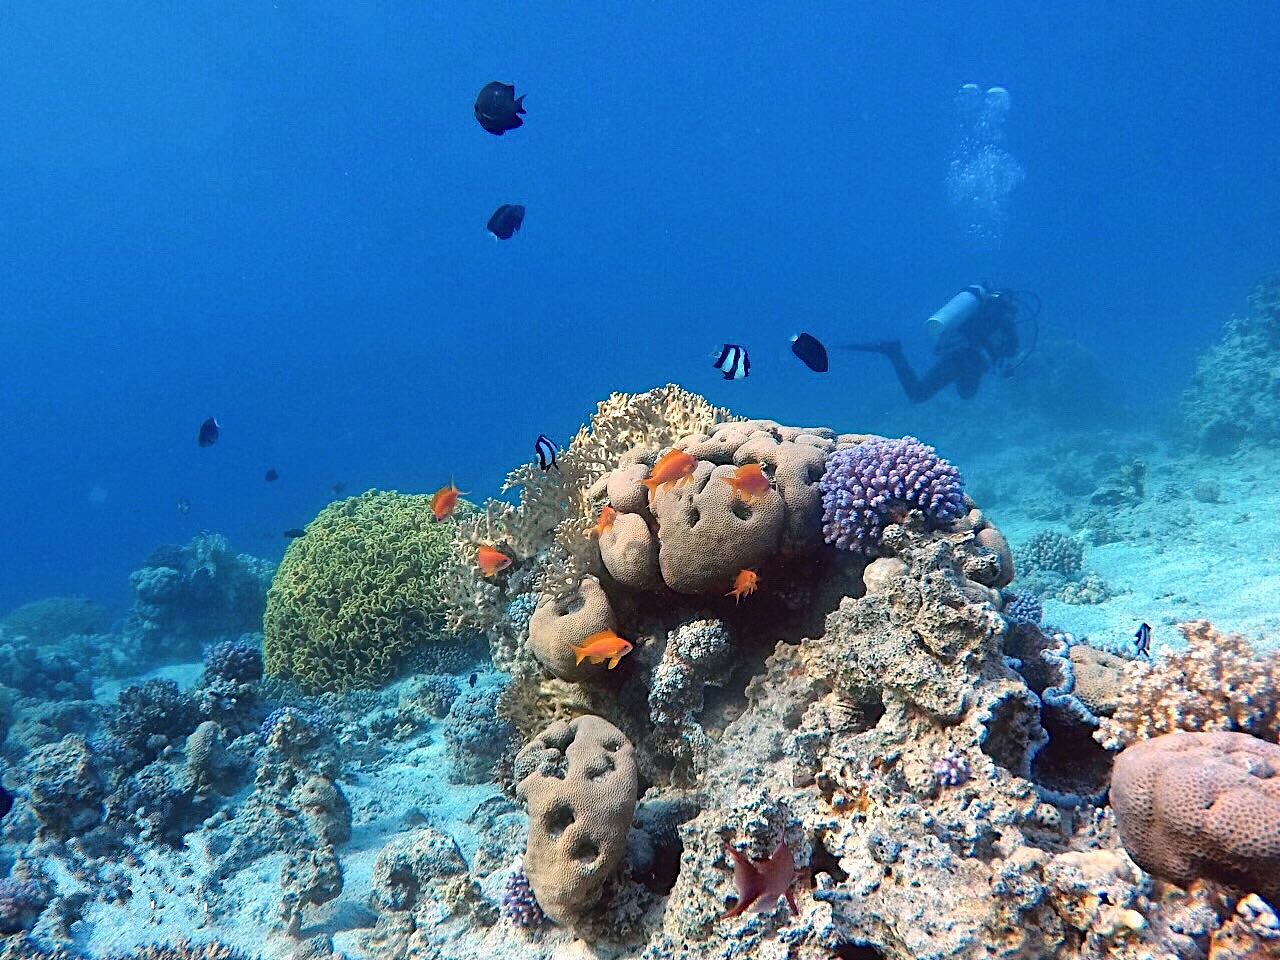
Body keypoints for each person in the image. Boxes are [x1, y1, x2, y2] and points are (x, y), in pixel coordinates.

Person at [846, 284, 1023, 403]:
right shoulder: (1005, 320)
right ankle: (894, 352)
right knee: (966, 394)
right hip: (972, 360)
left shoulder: (977, 310)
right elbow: (1012, 350)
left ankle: (894, 352)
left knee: (918, 394)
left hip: (955, 355)